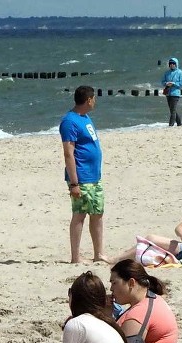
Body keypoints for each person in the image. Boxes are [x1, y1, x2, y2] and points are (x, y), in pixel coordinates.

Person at [109, 259, 178, 343]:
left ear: (131, 283)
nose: (111, 288)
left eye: (114, 283)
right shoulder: (152, 300)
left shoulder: (138, 315)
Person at [61, 85, 106, 264]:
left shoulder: (85, 118)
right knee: (79, 214)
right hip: (81, 177)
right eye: (94, 98)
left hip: (95, 176)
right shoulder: (69, 121)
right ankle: (75, 257)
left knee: (97, 213)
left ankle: (98, 254)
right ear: (88, 100)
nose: (95, 101)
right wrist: (74, 183)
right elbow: (68, 153)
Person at [161, 57, 182, 126]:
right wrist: (166, 83)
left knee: (173, 110)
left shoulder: (180, 72)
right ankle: (179, 123)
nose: (171, 65)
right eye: (170, 64)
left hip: (175, 93)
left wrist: (174, 84)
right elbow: (162, 81)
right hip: (168, 93)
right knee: (172, 110)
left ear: (176, 64)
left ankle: (171, 125)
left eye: (173, 64)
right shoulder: (167, 73)